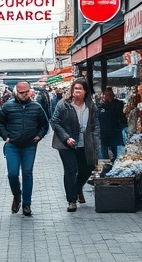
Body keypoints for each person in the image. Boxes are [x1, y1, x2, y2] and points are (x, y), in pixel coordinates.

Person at [0, 81, 49, 217]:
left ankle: (26, 204)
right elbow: (0, 123)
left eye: (26, 92)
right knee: (12, 174)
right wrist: (6, 137)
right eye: (21, 93)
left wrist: (39, 136)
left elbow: (45, 124)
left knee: (27, 173)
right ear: (16, 92)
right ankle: (17, 194)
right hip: (12, 145)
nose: (24, 95)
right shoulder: (8, 106)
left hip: (29, 145)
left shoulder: (36, 107)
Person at [51, 78, 100, 212]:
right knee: (71, 170)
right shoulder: (64, 104)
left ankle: (77, 188)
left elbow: (95, 125)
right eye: (75, 88)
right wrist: (66, 137)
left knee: (89, 166)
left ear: (85, 91)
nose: (77, 91)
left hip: (85, 142)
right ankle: (71, 200)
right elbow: (55, 121)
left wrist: (96, 142)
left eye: (80, 88)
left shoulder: (90, 105)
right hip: (66, 143)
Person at [98, 87, 128, 161]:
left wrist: (123, 126)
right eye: (107, 94)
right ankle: (105, 163)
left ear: (113, 94)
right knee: (104, 151)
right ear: (104, 95)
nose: (109, 96)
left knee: (114, 149)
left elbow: (120, 116)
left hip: (114, 130)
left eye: (110, 94)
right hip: (104, 132)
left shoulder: (118, 104)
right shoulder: (100, 106)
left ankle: (114, 162)